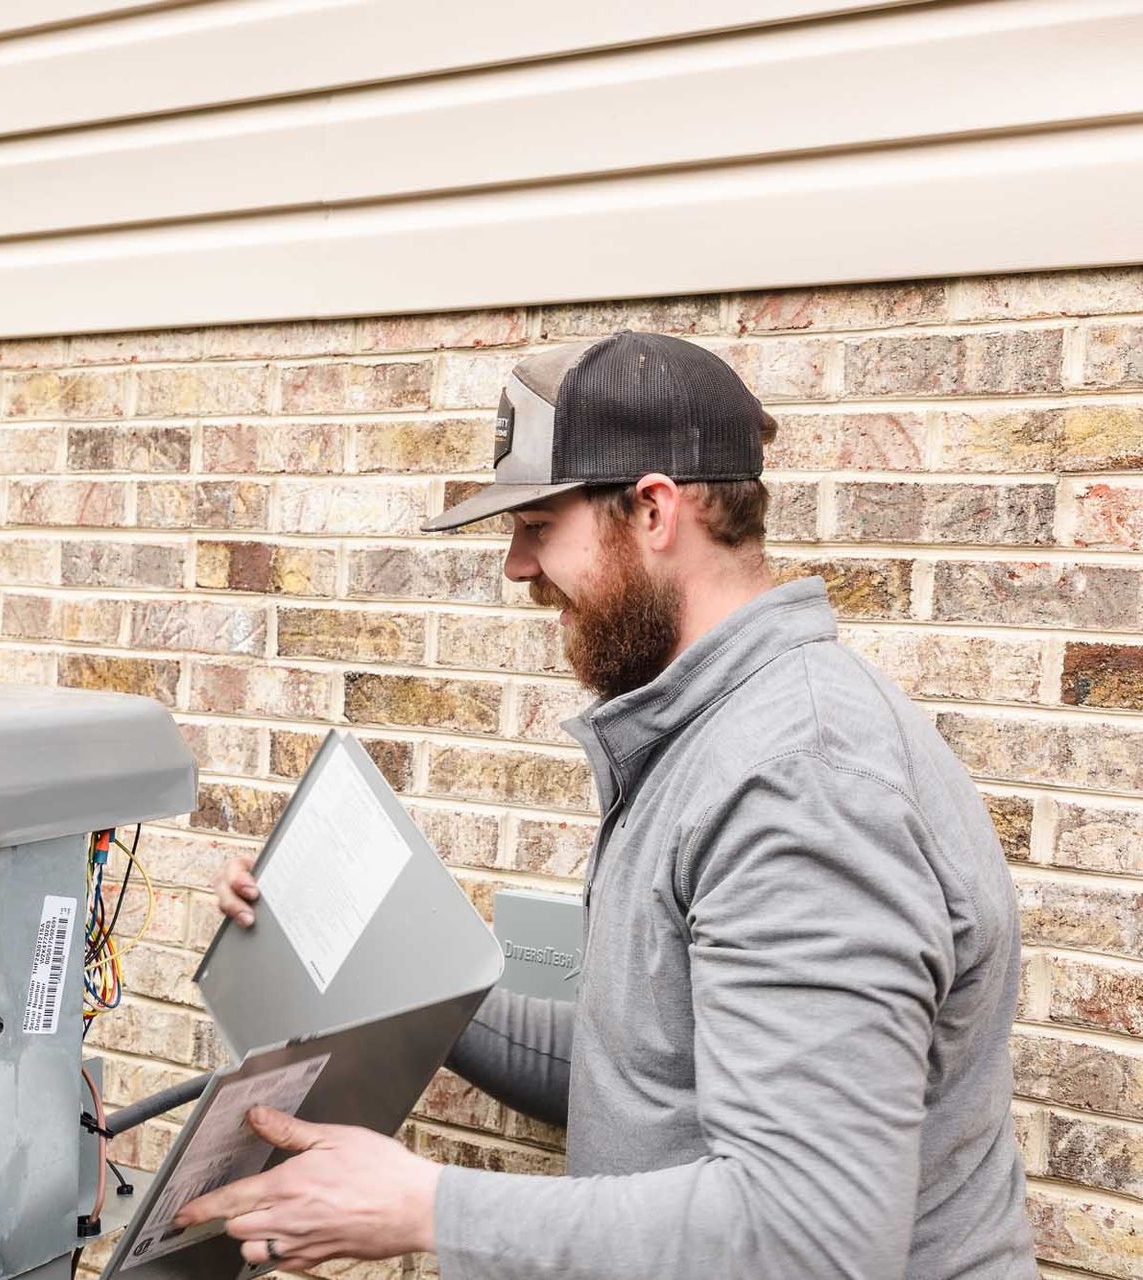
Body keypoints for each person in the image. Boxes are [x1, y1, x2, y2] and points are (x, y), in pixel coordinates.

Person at [176, 332, 1036, 1278]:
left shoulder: (798, 778)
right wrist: (378, 966)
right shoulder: (714, 735)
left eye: (539, 523)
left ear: (654, 511)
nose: (515, 567)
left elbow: (813, 1237)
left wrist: (429, 1208)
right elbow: (643, 1071)